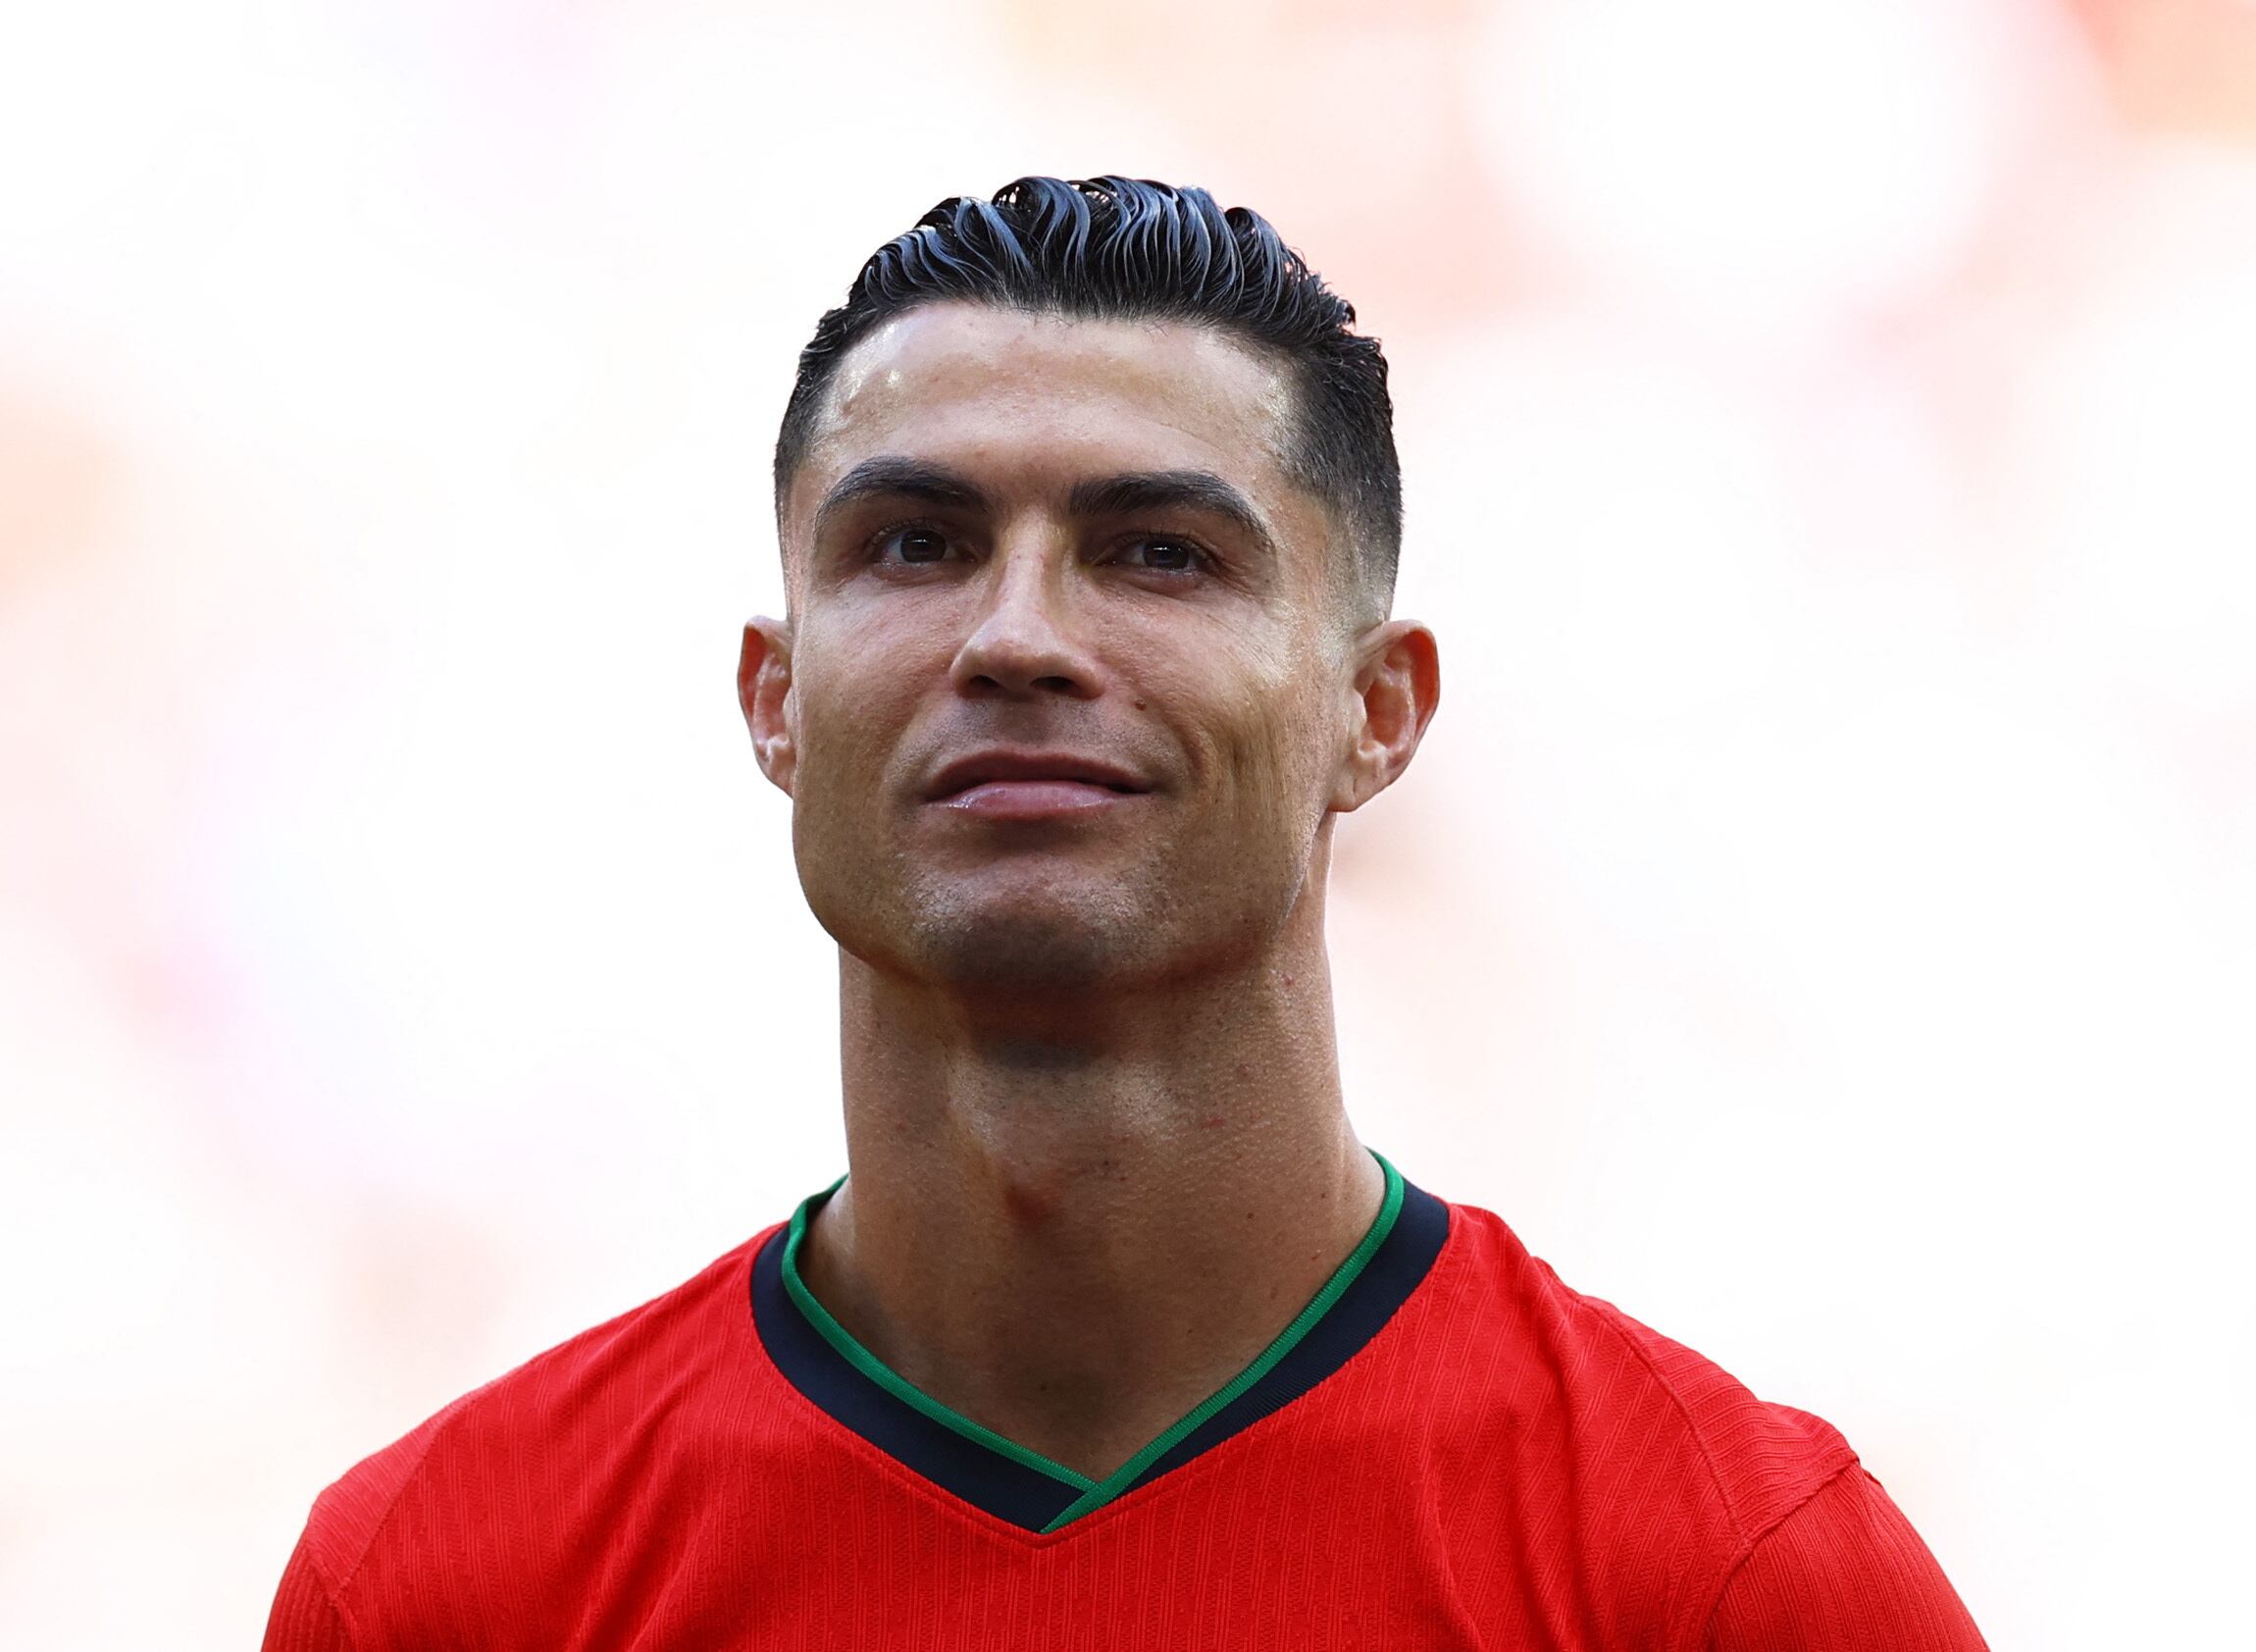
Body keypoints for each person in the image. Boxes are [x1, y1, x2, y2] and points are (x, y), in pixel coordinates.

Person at [262, 176, 1987, 1650]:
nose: (1016, 637)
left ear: (1376, 710)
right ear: (775, 702)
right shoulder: (448, 1584)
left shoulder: (1724, 1575)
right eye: (915, 544)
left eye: (1160, 552)